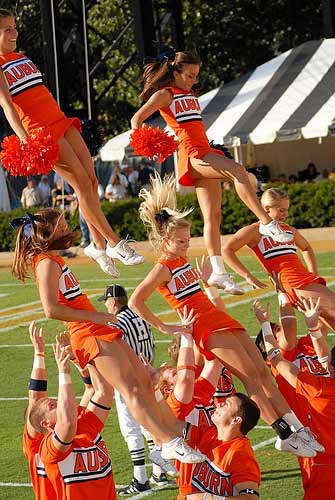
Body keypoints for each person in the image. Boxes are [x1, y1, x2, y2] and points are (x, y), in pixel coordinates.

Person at [128, 173, 320, 459]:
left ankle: (296, 428)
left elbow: (192, 292)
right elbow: (136, 300)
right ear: (165, 240)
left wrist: (204, 280)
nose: (186, 243)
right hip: (206, 328)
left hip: (218, 317)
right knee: (251, 378)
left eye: (187, 238)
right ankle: (283, 433)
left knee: (264, 374)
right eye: (180, 240)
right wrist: (168, 327)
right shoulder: (162, 267)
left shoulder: (180, 260)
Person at [11, 207, 206, 467]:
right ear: (50, 231)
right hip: (87, 333)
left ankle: (166, 440)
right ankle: (167, 443)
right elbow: (51, 309)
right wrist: (96, 317)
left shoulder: (54, 259)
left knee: (146, 381)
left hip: (97, 329)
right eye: (61, 224)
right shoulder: (45, 263)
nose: (67, 227)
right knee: (131, 389)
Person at [130, 49, 293, 294]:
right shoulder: (165, 95)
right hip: (193, 155)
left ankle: (218, 272)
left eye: (196, 76)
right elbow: (136, 120)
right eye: (189, 75)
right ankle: (267, 222)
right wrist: (150, 144)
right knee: (238, 171)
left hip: (206, 151)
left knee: (213, 217)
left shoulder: (189, 94)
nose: (193, 80)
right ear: (175, 72)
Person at [0, 8, 144, 276]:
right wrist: (25, 140)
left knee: (91, 182)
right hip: (41, 132)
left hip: (61, 120)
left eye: (15, 27)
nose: (14, 33)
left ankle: (97, 247)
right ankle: (114, 243)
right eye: (7, 29)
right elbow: (8, 107)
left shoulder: (20, 57)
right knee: (80, 184)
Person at [253, 298, 334, 500]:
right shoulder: (283, 359)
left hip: (321, 440)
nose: (287, 329)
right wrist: (286, 292)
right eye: (277, 330)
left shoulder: (306, 348)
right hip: (317, 452)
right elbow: (292, 330)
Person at [221, 187, 335, 330]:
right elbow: (226, 250)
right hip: (295, 283)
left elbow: (306, 248)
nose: (285, 214)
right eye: (281, 210)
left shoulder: (287, 229)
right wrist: (247, 276)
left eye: (287, 210)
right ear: (266, 209)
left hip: (303, 281)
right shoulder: (255, 231)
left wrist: (314, 274)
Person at [97, 283, 169, 494]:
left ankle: (141, 478)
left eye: (107, 301)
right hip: (148, 375)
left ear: (113, 300)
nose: (106, 305)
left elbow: (116, 350)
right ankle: (159, 472)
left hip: (130, 381)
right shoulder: (139, 315)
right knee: (149, 425)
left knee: (131, 430)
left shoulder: (119, 321)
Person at [29, 334, 117, 499]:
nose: (61, 404)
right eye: (53, 406)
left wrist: (81, 359)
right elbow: (67, 422)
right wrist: (63, 372)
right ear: (46, 423)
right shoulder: (49, 448)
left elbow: (104, 391)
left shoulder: (83, 424)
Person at [185, 393, 261, 500]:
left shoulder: (240, 455)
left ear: (236, 420)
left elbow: (250, 498)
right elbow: (172, 426)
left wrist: (207, 498)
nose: (219, 404)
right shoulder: (209, 433)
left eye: (226, 404)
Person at [23, 321, 57, 500]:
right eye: (52, 405)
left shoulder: (77, 428)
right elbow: (35, 397)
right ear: (42, 423)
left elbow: (96, 391)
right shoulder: (36, 445)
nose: (55, 401)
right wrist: (39, 353)